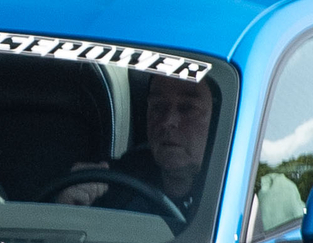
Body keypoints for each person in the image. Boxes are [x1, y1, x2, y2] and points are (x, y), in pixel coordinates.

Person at [56, 73, 213, 218]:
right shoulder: (114, 181)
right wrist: (65, 208)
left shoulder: (234, 197)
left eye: (188, 108)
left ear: (219, 119)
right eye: (158, 107)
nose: (168, 122)